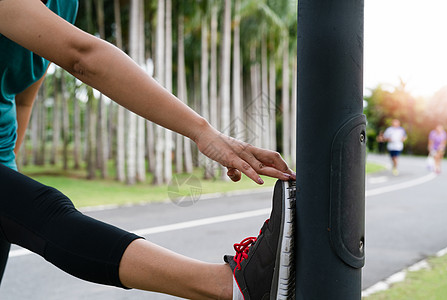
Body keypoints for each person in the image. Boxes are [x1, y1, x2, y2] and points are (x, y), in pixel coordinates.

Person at [0, 0, 296, 299]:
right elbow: (82, 56)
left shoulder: (64, 5)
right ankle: (227, 286)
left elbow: (21, 98)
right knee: (47, 208)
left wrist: (12, 183)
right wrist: (203, 133)